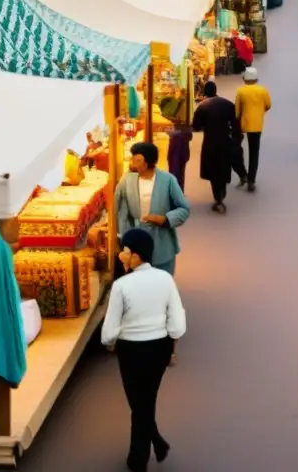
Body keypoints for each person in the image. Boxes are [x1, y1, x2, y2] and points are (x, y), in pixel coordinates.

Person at [102, 228, 186, 472]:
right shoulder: (165, 279)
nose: (121, 255)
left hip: (131, 351)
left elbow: (109, 330)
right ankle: (148, 449)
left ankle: (140, 459)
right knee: (146, 400)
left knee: (138, 403)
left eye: (124, 251)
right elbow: (177, 321)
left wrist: (110, 344)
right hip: (159, 347)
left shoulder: (121, 285)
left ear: (136, 255)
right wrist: (172, 348)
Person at [115, 142, 190, 277]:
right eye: (133, 159)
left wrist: (165, 219)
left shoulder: (168, 180)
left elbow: (184, 208)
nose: (133, 163)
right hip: (136, 243)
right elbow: (120, 210)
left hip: (162, 241)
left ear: (147, 161)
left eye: (137, 160)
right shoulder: (127, 180)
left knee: (161, 282)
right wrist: (123, 238)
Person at [192, 82, 241, 213]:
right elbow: (236, 123)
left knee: (213, 171)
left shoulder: (203, 107)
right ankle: (222, 194)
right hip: (225, 141)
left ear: (205, 93)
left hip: (210, 143)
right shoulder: (228, 104)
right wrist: (236, 140)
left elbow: (196, 126)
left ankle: (218, 198)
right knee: (224, 168)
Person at [234, 67, 272, 192]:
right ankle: (251, 180)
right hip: (257, 125)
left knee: (238, 150)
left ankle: (243, 173)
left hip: (244, 125)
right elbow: (268, 105)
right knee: (254, 153)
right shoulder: (262, 91)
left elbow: (237, 111)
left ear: (245, 79)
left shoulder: (241, 91)